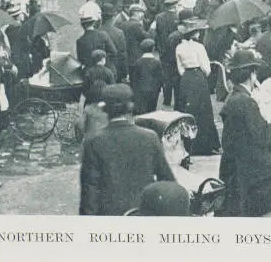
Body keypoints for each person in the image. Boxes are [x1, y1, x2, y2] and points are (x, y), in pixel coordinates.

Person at [80, 83, 175, 216]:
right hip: (144, 213)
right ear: (130, 107)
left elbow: (90, 191)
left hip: (109, 216)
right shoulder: (150, 137)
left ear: (104, 108)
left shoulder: (93, 142)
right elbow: (168, 181)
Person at [218, 50, 271, 217]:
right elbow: (263, 136)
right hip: (256, 174)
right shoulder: (246, 102)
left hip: (241, 169)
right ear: (252, 74)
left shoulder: (234, 97)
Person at [176, 18, 221, 155]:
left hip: (186, 78)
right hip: (198, 76)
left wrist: (186, 75)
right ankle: (206, 145)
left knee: (188, 108)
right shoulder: (199, 47)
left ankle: (189, 144)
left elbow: (180, 68)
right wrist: (203, 74)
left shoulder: (179, 47)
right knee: (204, 111)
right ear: (195, 33)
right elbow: (206, 67)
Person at [130, 39, 164, 114]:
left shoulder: (138, 62)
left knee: (142, 111)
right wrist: (159, 87)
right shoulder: (157, 63)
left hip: (140, 91)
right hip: (153, 90)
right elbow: (160, 78)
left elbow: (134, 79)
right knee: (151, 110)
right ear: (153, 49)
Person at [98, 4, 128, 81]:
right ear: (113, 17)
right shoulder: (119, 33)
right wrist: (124, 73)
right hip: (115, 70)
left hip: (99, 71)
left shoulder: (96, 32)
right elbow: (122, 55)